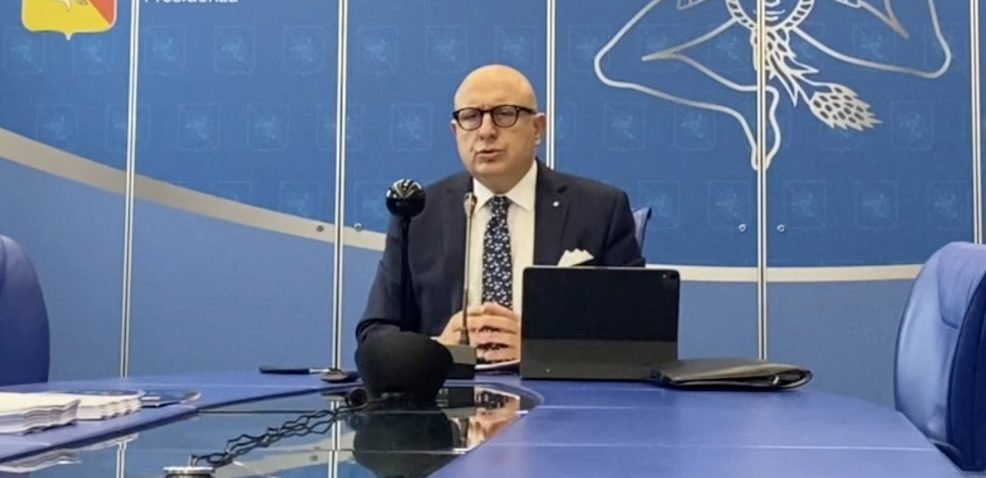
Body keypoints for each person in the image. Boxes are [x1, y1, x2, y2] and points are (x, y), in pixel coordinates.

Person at [357, 64, 644, 363]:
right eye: (471, 117)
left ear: (537, 128)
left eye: (504, 114)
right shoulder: (419, 214)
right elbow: (374, 334)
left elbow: (638, 337)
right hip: (448, 388)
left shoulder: (599, 210)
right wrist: (435, 350)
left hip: (554, 388)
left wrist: (541, 350)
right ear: (455, 131)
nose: (485, 131)